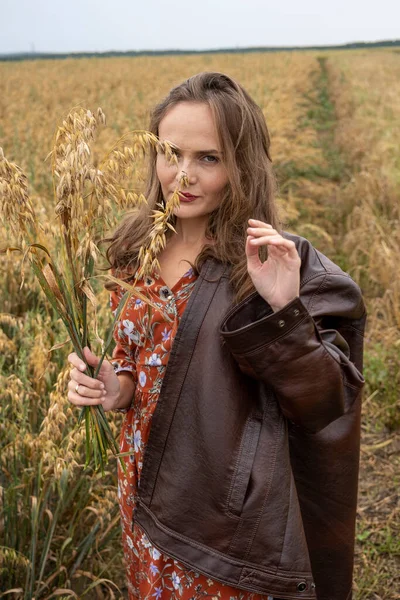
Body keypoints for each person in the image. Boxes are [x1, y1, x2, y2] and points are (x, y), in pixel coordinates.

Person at [67, 72, 366, 600]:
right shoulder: (133, 248)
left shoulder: (272, 263)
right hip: (143, 488)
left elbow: (326, 402)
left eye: (209, 158)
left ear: (241, 166)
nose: (182, 174)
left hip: (219, 521)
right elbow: (137, 358)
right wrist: (116, 388)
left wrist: (285, 309)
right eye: (170, 152)